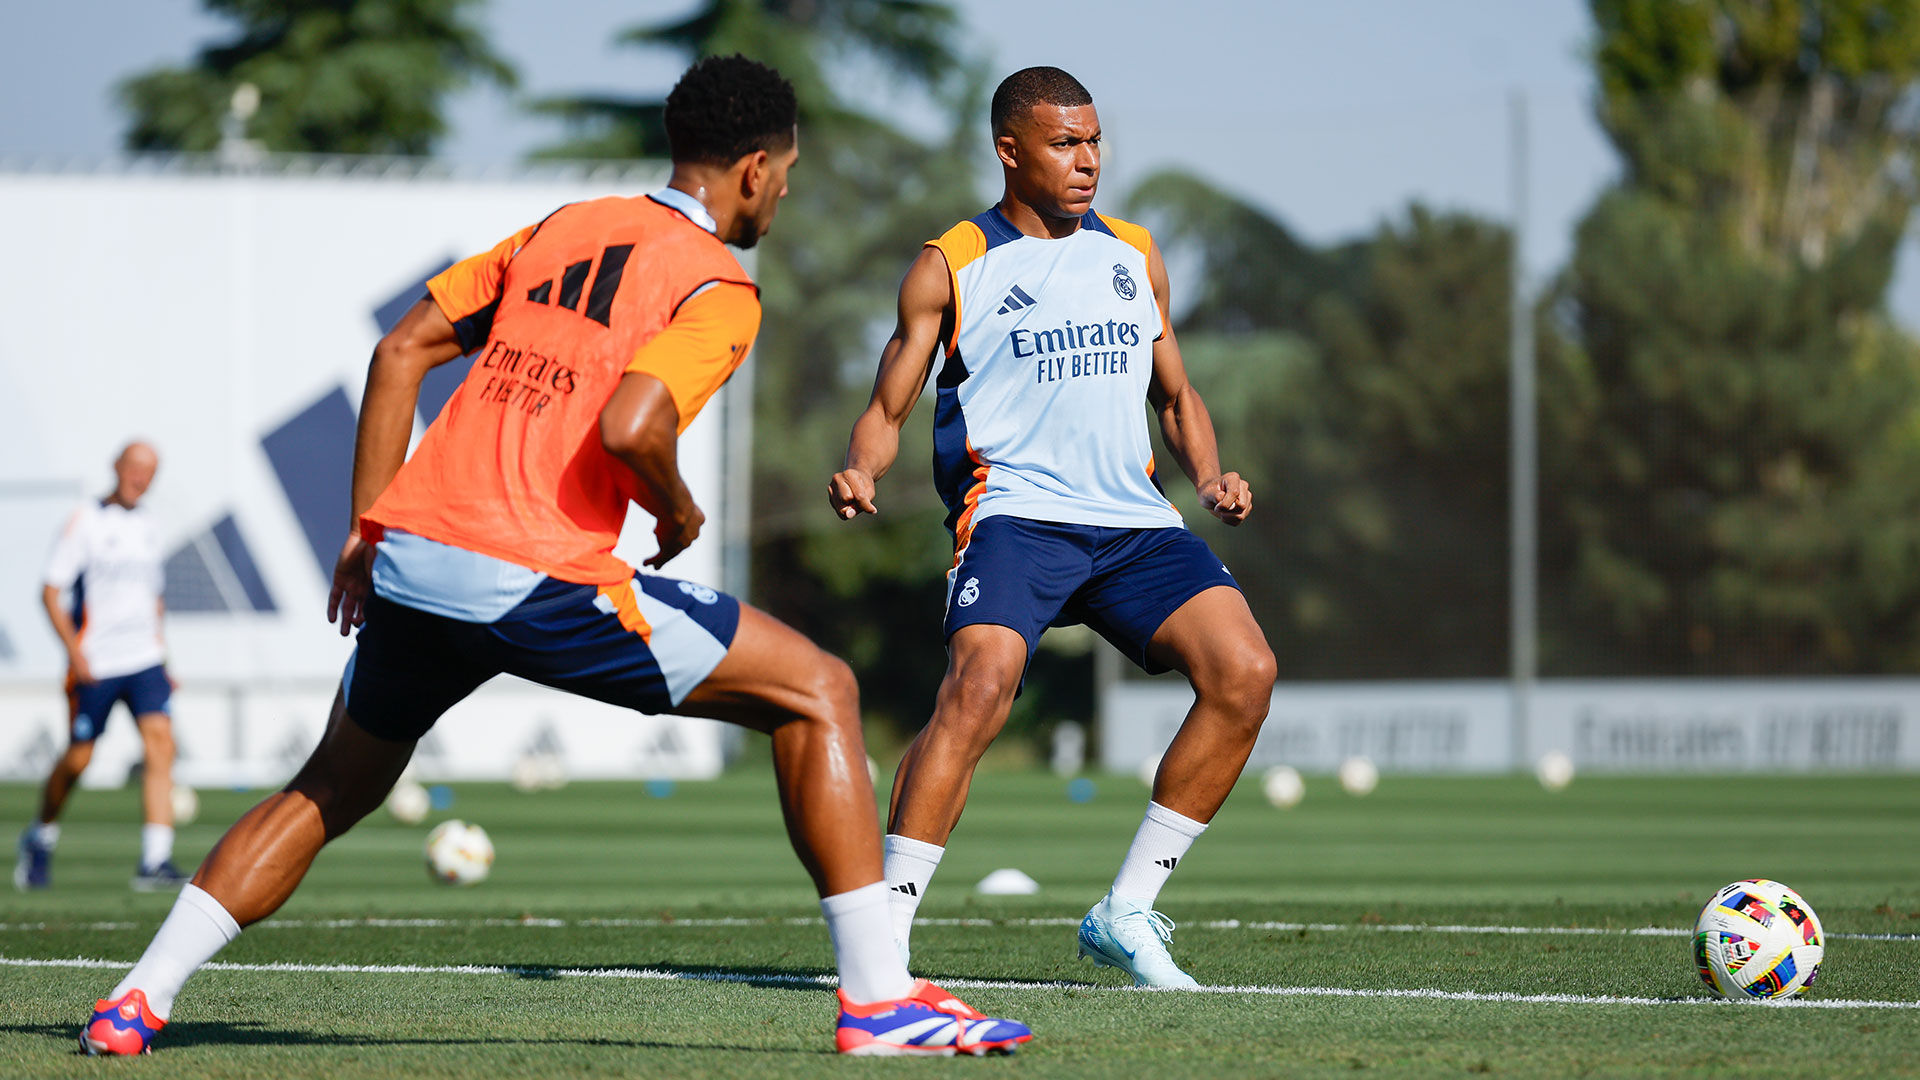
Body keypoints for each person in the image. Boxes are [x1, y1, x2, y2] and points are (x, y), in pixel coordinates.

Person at [80, 56, 1029, 1059]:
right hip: (534, 572)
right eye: (786, 174)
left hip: (417, 560)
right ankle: (880, 1000)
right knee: (821, 689)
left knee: (327, 788)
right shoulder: (719, 285)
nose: (784, 194)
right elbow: (632, 424)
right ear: (755, 169)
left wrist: (368, 529)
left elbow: (401, 349)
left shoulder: (565, 227)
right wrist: (676, 505)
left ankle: (136, 999)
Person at [829, 66, 1277, 988]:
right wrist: (861, 467)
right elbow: (891, 397)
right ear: (1009, 151)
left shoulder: (1135, 254)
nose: (1088, 162)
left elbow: (1177, 393)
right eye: (1065, 144)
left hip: (1133, 525)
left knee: (1246, 673)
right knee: (981, 684)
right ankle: (884, 943)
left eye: (1096, 141)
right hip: (1016, 517)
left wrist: (1210, 474)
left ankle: (1127, 912)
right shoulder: (951, 262)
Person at [17, 441, 184, 893]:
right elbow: (51, 591)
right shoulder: (85, 522)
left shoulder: (149, 525)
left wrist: (163, 655)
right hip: (98, 662)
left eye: (149, 472)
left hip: (144, 659)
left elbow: (154, 596)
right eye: (134, 469)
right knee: (79, 758)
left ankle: (155, 860)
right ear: (117, 468)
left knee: (161, 745)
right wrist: (74, 652)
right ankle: (40, 836)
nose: (140, 479)